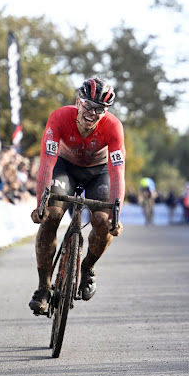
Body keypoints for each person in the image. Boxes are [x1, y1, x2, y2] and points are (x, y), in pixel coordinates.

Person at [28, 78, 125, 315]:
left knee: (103, 222)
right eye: (88, 106)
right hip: (65, 167)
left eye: (99, 109)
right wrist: (40, 202)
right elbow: (47, 163)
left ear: (107, 112)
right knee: (51, 216)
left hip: (99, 172)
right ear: (77, 102)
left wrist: (116, 214)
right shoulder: (59, 118)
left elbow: (117, 173)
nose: (92, 113)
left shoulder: (113, 127)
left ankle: (88, 267)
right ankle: (43, 287)